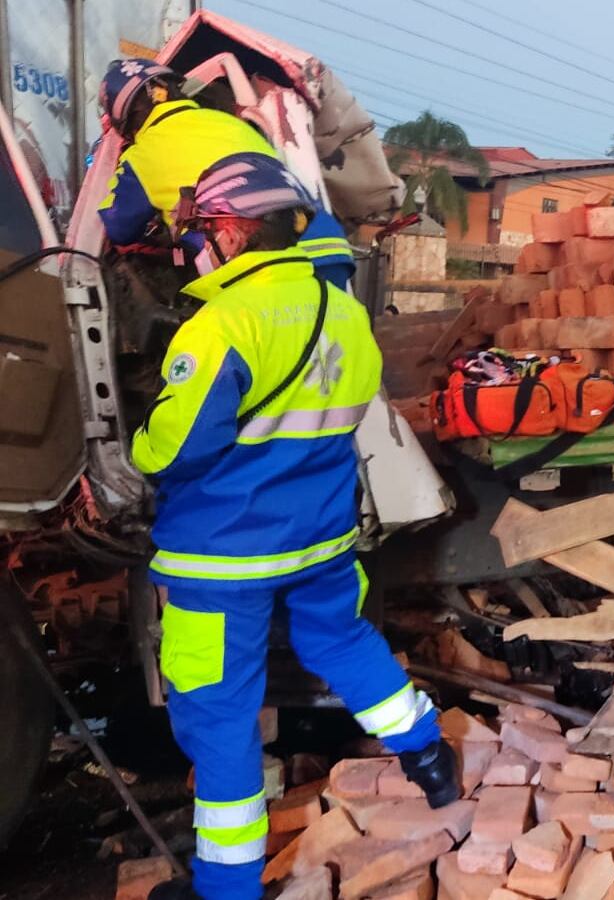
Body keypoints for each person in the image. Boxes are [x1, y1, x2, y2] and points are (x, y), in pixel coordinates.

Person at [131, 153, 456, 900]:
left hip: (223, 557)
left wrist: (138, 449)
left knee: (220, 715)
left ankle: (228, 887)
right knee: (342, 640)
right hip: (320, 540)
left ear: (238, 230)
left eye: (205, 229)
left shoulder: (223, 325)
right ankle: (429, 757)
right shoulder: (342, 309)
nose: (198, 244)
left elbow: (176, 449)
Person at [96, 58, 356, 288]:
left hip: (254, 269)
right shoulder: (233, 123)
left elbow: (119, 228)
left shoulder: (141, 154)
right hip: (326, 247)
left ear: (124, 121)